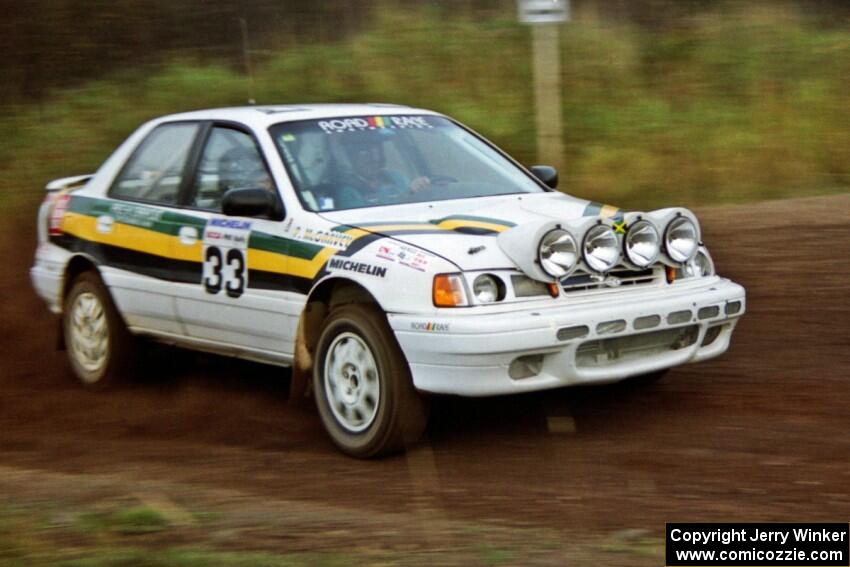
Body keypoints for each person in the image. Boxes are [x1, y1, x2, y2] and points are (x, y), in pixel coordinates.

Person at [332, 132, 431, 209]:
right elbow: (365, 219)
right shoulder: (348, 191)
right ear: (352, 157)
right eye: (365, 151)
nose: (374, 157)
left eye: (376, 150)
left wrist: (418, 189)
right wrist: (406, 195)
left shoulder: (395, 178)